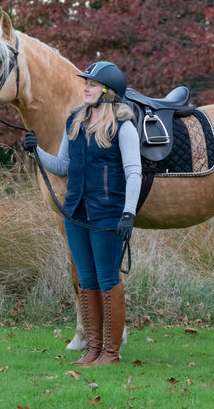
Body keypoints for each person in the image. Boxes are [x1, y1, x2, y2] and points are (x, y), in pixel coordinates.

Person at [23, 61, 142, 366]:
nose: (85, 87)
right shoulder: (74, 122)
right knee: (86, 279)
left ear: (108, 91)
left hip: (108, 215)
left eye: (91, 83)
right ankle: (93, 349)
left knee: (107, 279)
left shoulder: (123, 126)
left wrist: (128, 214)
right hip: (75, 213)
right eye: (85, 83)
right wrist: (36, 151)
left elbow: (133, 172)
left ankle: (111, 354)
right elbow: (62, 167)